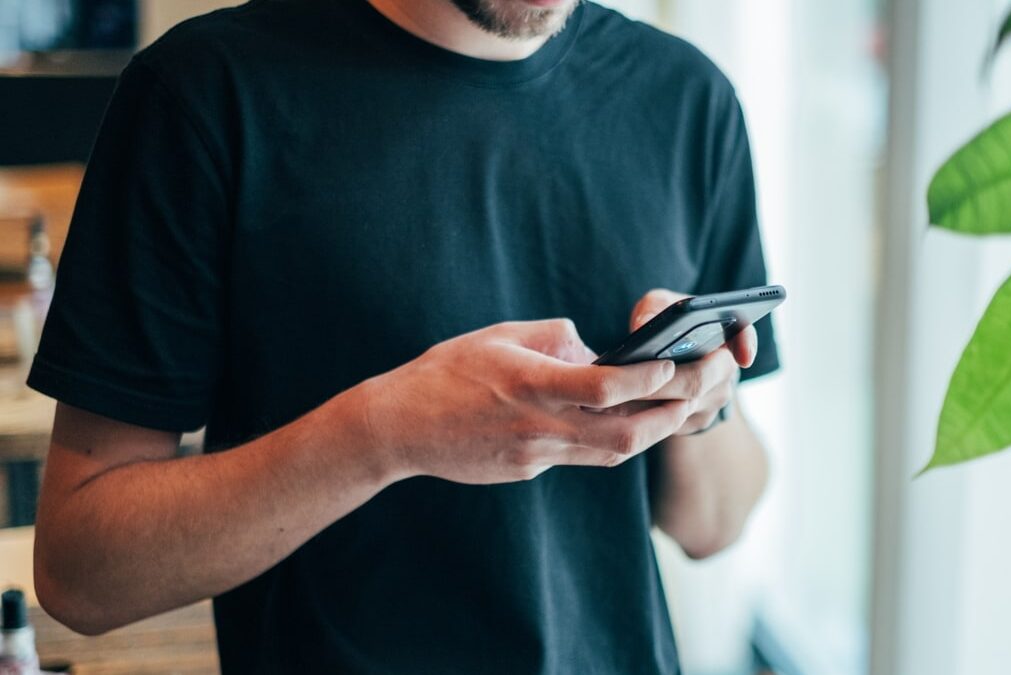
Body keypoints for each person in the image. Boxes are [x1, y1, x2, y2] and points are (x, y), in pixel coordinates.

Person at [28, 0, 779, 672]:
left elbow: (713, 523)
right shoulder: (203, 93)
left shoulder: (688, 100)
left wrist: (698, 402)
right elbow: (84, 571)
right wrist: (385, 434)